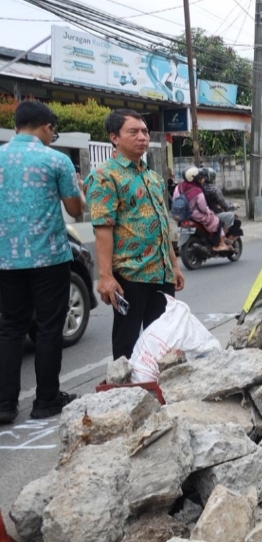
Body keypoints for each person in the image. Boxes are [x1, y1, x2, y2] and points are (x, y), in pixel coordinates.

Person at [0, 101, 84, 423]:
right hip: (49, 257)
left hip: (6, 259)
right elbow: (76, 211)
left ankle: (5, 404)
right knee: (49, 328)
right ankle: (46, 400)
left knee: (11, 327)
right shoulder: (55, 160)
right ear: (47, 127)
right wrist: (77, 189)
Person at [87, 109, 184, 361]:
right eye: (133, 132)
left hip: (160, 273)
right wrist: (105, 276)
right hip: (130, 275)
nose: (142, 137)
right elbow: (103, 229)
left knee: (162, 342)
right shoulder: (105, 176)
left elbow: (162, 224)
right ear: (114, 137)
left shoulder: (152, 177)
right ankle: (124, 393)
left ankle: (157, 392)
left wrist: (174, 265)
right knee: (127, 344)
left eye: (144, 131)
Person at [175, 168, 230, 253]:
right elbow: (203, 208)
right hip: (195, 214)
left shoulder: (179, 187)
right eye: (200, 177)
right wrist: (209, 212)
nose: (203, 179)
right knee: (217, 221)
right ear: (196, 178)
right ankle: (218, 245)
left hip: (180, 214)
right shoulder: (197, 190)